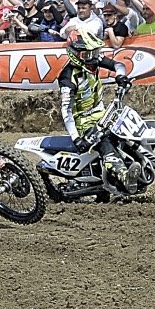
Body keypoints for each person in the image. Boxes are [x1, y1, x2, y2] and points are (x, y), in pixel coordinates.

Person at [58, 31, 137, 192]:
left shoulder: (93, 60)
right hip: (83, 121)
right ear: (76, 54)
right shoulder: (67, 78)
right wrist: (76, 138)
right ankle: (123, 176)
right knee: (104, 141)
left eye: (95, 52)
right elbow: (66, 111)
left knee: (128, 129)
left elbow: (118, 65)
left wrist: (121, 77)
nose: (93, 57)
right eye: (88, 53)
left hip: (103, 113)